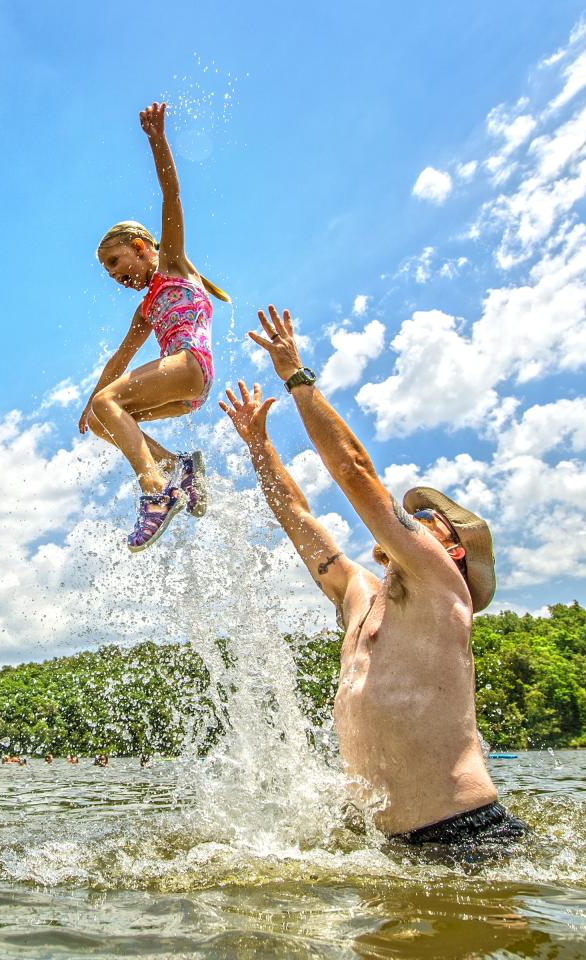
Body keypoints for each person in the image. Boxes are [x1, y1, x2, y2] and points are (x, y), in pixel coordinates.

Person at [229, 305, 527, 862]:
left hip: (465, 835)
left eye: (425, 520)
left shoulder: (443, 587)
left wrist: (296, 377)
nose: (409, 522)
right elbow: (300, 520)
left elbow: (356, 475)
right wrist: (258, 448)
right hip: (385, 850)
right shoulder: (361, 595)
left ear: (452, 549)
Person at [80, 101, 232, 552]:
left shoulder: (171, 267)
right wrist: (89, 406)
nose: (115, 275)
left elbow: (171, 196)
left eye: (116, 261)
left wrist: (157, 141)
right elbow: (120, 358)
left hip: (190, 365)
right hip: (186, 392)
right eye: (109, 273)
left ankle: (155, 490)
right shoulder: (146, 307)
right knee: (105, 417)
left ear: (142, 246)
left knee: (108, 403)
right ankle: (178, 468)